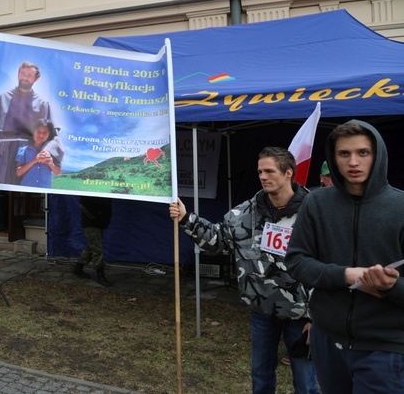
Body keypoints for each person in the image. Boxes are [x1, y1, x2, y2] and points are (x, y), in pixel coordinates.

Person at [169, 147, 318, 394]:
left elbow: (328, 263)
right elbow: (218, 241)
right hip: (262, 312)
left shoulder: (315, 212)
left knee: (305, 383)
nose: (263, 176)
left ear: (288, 173)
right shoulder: (245, 213)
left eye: (270, 171)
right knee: (261, 378)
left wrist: (318, 318)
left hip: (302, 316)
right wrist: (187, 219)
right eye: (260, 171)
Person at [286, 120, 404, 392]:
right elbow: (297, 261)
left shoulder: (400, 207)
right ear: (333, 158)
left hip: (384, 346)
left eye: (363, 152)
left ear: (378, 155)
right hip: (328, 339)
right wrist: (347, 275)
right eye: (344, 154)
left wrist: (391, 287)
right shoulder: (316, 203)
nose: (354, 162)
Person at [0, 61, 61, 185]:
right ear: (18, 74)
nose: (25, 77)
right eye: (23, 73)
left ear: (36, 79)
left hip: (28, 156)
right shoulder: (1, 99)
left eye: (29, 75)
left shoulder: (43, 104)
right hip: (1, 154)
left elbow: (54, 136)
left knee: (25, 192)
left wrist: (46, 154)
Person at [73, 195, 112, 286]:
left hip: (100, 222)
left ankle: (78, 268)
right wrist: (93, 217)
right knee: (97, 248)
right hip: (91, 224)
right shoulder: (89, 188)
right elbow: (82, 205)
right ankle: (100, 274)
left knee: (92, 246)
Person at [15, 119, 62, 188]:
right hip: (27, 189)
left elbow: (58, 172)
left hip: (45, 190)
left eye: (45, 133)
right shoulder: (24, 150)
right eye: (38, 131)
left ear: (49, 135)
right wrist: (35, 160)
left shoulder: (53, 151)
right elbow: (18, 172)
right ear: (33, 132)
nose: (41, 135)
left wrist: (50, 163)